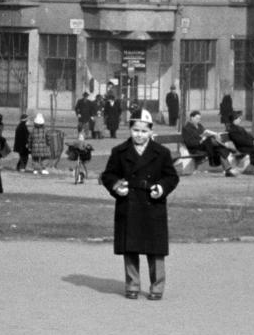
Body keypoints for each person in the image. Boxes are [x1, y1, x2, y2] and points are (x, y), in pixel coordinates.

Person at [99, 109, 180, 300]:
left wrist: (161, 188)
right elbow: (108, 175)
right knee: (130, 248)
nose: (139, 135)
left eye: (144, 131)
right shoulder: (119, 152)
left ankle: (157, 287)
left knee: (155, 250)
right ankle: (132, 285)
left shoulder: (162, 153)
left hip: (153, 205)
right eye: (136, 130)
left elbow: (171, 177)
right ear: (130, 129)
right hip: (129, 205)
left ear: (151, 131)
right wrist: (117, 187)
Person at [181, 109, 236, 175]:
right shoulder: (186, 128)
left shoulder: (200, 126)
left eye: (199, 119)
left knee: (219, 149)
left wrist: (212, 135)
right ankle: (227, 147)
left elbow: (205, 132)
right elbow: (189, 143)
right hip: (196, 148)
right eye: (197, 118)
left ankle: (228, 171)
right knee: (211, 141)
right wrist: (200, 141)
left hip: (206, 146)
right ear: (191, 118)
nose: (198, 120)